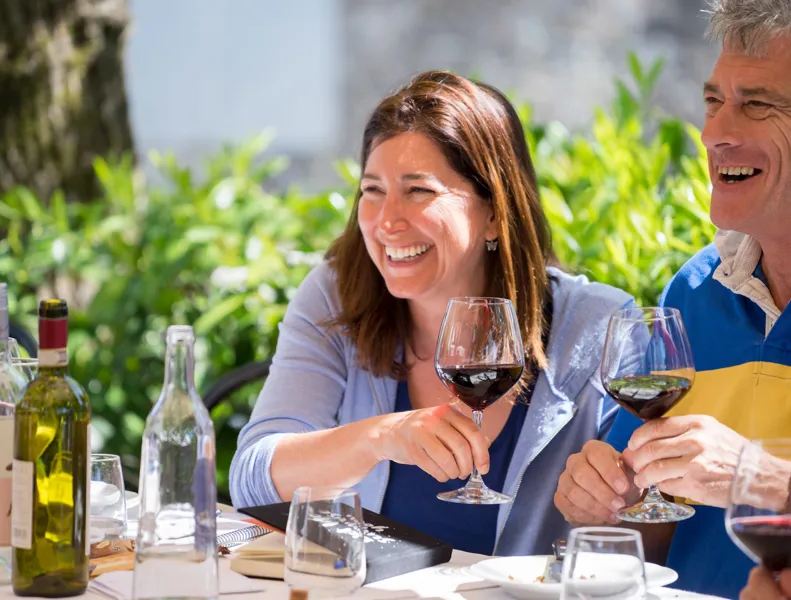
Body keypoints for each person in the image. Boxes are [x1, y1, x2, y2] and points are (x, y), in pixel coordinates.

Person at [229, 70, 633, 556]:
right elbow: (252, 481)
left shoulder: (599, 328)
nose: (386, 222)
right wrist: (381, 436)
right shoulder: (337, 296)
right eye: (372, 190)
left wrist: (614, 498)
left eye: (418, 191)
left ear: (494, 213)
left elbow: (641, 529)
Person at [553, 0, 791, 596]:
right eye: (714, 102)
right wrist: (615, 504)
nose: (715, 133)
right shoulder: (692, 290)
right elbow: (648, 542)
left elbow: (748, 481)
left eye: (755, 105)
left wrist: (763, 481)